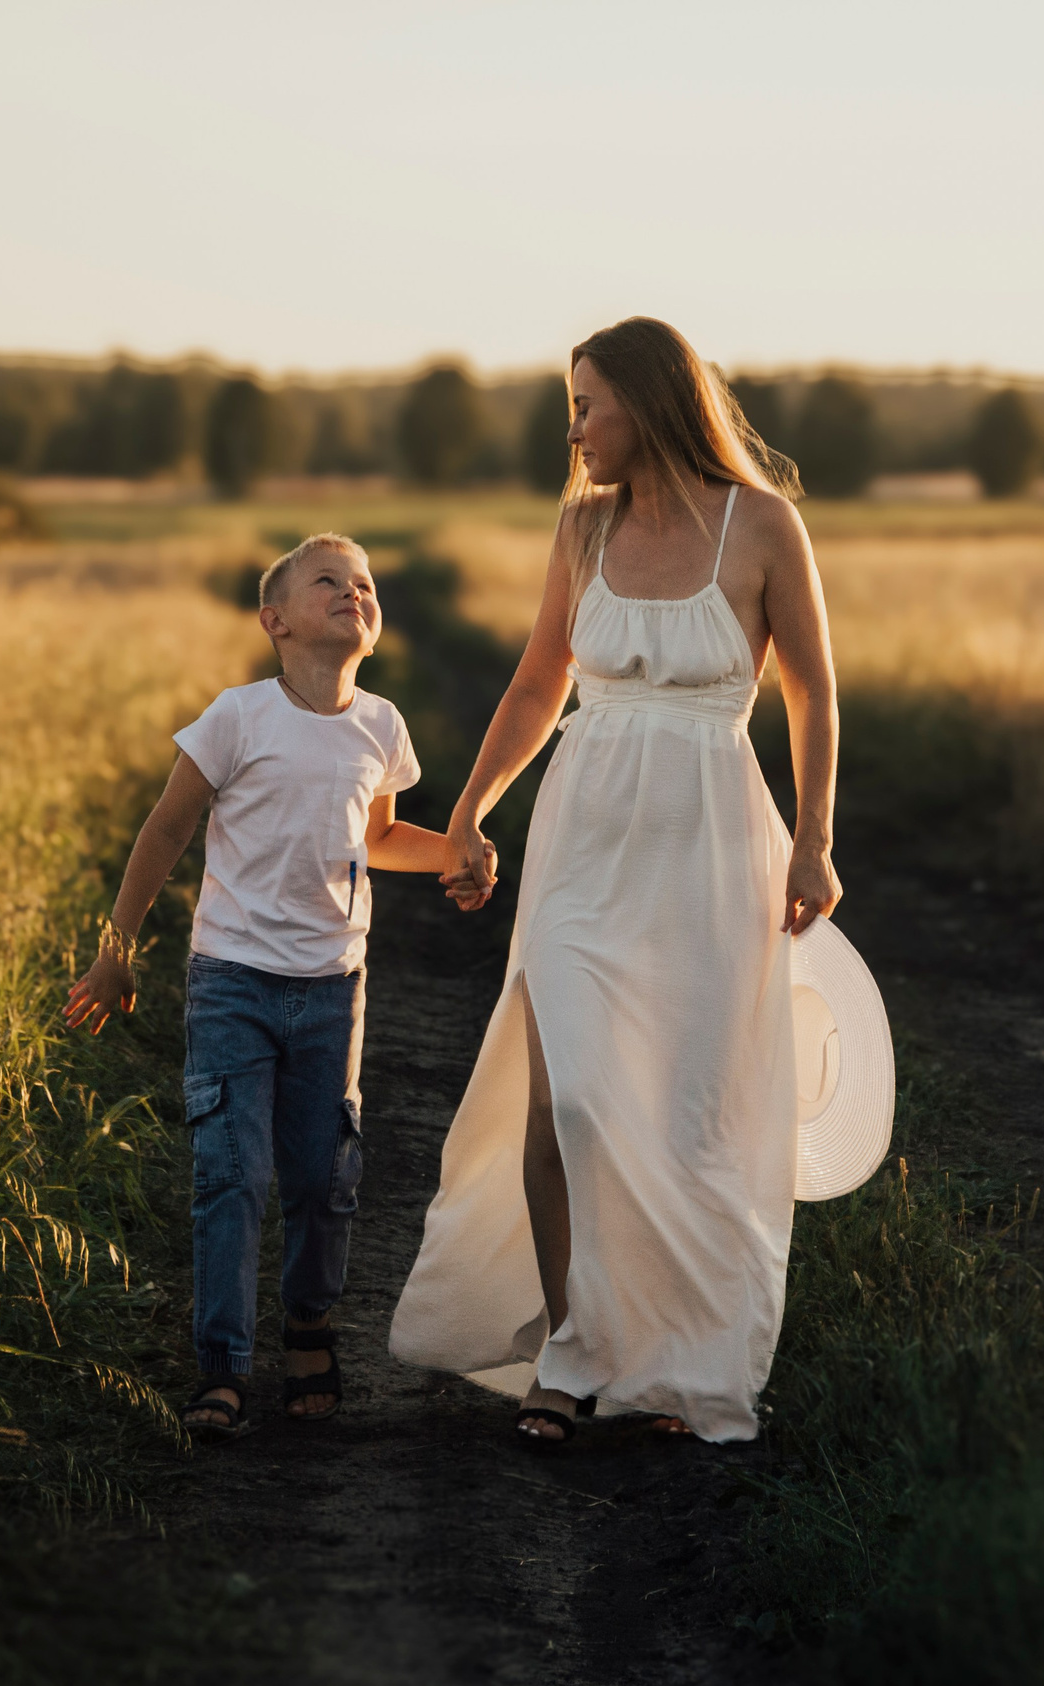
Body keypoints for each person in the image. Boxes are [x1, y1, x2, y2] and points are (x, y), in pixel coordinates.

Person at [389, 317, 842, 1444]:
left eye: (588, 403)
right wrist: (470, 810)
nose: (574, 427)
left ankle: (679, 1362)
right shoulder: (582, 529)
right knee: (572, 1101)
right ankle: (569, 1349)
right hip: (583, 837)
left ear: (649, 401)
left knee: (685, 1113)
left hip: (707, 841)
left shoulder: (764, 527)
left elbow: (813, 697)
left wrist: (815, 840)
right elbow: (542, 679)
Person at [64, 533, 476, 1435]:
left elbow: (376, 837)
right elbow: (166, 829)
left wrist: (457, 851)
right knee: (233, 1172)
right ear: (275, 620)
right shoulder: (238, 716)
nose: (353, 592)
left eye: (364, 583)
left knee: (327, 1173)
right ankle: (222, 1362)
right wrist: (115, 947)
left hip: (333, 988)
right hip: (231, 981)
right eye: (327, 580)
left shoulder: (382, 725)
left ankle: (309, 1321)